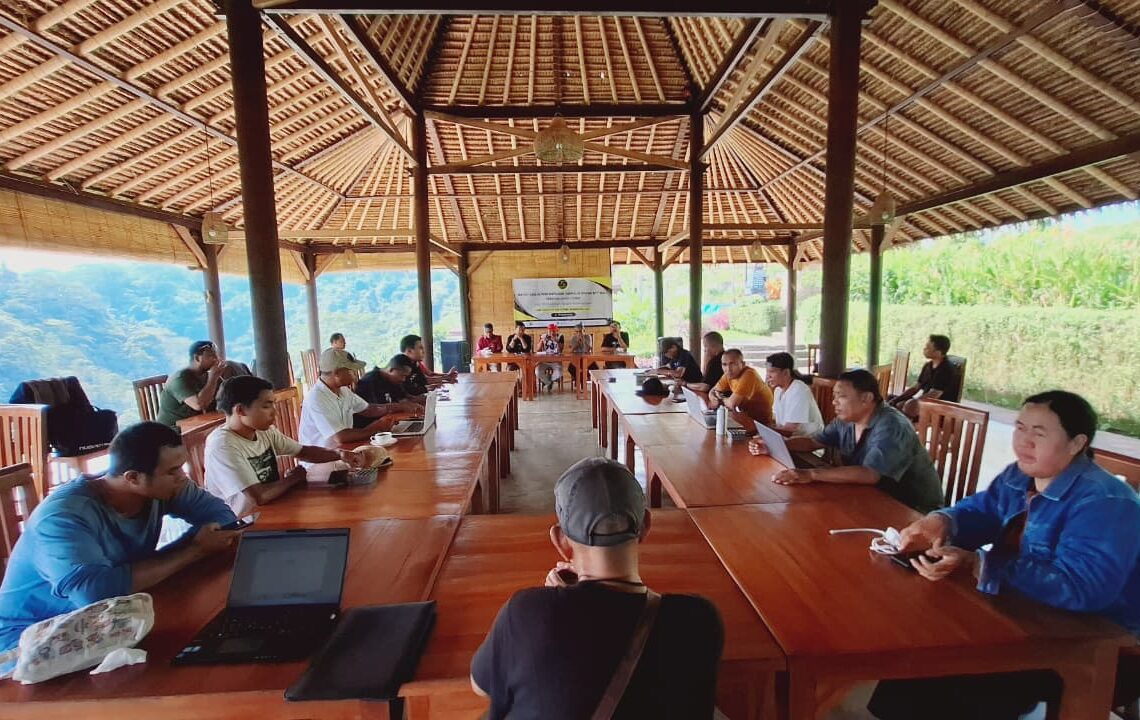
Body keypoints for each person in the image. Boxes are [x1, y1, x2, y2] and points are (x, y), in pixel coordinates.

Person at [869, 391, 1140, 720]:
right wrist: (942, 519)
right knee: (918, 646)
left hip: (1102, 643)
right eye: (1020, 428)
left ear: (1076, 443)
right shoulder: (1020, 476)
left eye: (1038, 433)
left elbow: (1084, 589)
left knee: (951, 671)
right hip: (1023, 614)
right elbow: (982, 511)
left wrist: (979, 563)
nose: (1024, 442)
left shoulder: (1105, 503)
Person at [470, 457, 724, 719]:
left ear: (561, 542)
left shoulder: (526, 612)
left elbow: (479, 686)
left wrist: (552, 601)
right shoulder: (700, 619)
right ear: (646, 525)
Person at [0, 422, 239, 654]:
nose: (183, 477)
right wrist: (193, 551)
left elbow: (222, 518)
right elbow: (93, 594)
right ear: (133, 477)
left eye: (181, 467)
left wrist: (193, 548)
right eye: (172, 471)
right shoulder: (63, 517)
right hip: (30, 641)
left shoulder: (161, 488)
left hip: (108, 620)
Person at [749, 369, 944, 514]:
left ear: (866, 398)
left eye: (841, 397)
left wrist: (811, 474)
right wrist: (775, 445)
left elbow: (870, 474)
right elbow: (814, 442)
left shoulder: (891, 425)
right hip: (868, 497)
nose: (834, 402)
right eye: (834, 396)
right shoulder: (846, 420)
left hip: (910, 508)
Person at [204, 376, 365, 516]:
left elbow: (304, 451)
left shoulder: (263, 431)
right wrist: (293, 478)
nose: (275, 412)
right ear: (241, 410)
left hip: (271, 508)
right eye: (266, 406)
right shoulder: (222, 445)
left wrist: (340, 454)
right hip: (240, 524)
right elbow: (258, 497)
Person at [298, 348, 421, 482]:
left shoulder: (343, 391)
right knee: (375, 471)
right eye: (351, 370)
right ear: (337, 373)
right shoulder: (316, 398)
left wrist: (398, 407)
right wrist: (376, 429)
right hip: (320, 464)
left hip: (345, 453)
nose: (355, 374)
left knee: (386, 459)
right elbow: (341, 437)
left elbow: (368, 409)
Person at [889, 334, 959, 419]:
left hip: (941, 408)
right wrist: (896, 399)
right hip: (928, 403)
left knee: (909, 406)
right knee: (895, 402)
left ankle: (907, 429)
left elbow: (934, 394)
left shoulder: (946, 369)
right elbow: (916, 387)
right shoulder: (928, 366)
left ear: (938, 352)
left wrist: (914, 402)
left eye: (928, 348)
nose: (924, 349)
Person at [156, 340, 223, 427]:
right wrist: (213, 378)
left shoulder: (207, 375)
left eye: (216, 355)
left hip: (196, 424)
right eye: (211, 356)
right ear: (197, 358)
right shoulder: (180, 379)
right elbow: (198, 405)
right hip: (174, 430)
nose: (216, 359)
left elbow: (227, 394)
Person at [708, 349, 774, 426]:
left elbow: (732, 404)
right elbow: (712, 391)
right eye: (724, 364)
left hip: (761, 425)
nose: (728, 369)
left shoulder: (749, 375)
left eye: (732, 364)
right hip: (744, 419)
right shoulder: (728, 375)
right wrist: (714, 398)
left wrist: (720, 399)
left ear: (742, 364)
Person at [765, 352, 824, 437]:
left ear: (786, 372)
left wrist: (767, 434)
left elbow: (790, 429)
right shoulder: (778, 390)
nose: (768, 376)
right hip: (791, 437)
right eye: (767, 372)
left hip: (810, 442)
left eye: (772, 372)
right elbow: (776, 420)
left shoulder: (799, 390)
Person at [535, 323, 565, 393]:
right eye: (550, 330)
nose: (552, 332)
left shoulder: (560, 336)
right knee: (537, 372)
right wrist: (541, 341)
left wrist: (556, 341)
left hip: (556, 361)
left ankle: (548, 380)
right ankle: (549, 382)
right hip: (544, 361)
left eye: (553, 330)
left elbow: (561, 350)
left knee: (559, 373)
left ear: (556, 330)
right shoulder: (544, 336)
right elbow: (538, 350)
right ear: (547, 330)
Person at [566, 322, 593, 387]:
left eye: (580, 331)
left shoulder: (588, 337)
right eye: (577, 332)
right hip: (576, 359)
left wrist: (583, 340)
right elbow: (571, 351)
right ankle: (579, 382)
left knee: (595, 368)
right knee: (570, 368)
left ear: (584, 331)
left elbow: (588, 349)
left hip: (587, 358)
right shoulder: (573, 338)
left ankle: (583, 381)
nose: (579, 333)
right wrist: (576, 344)